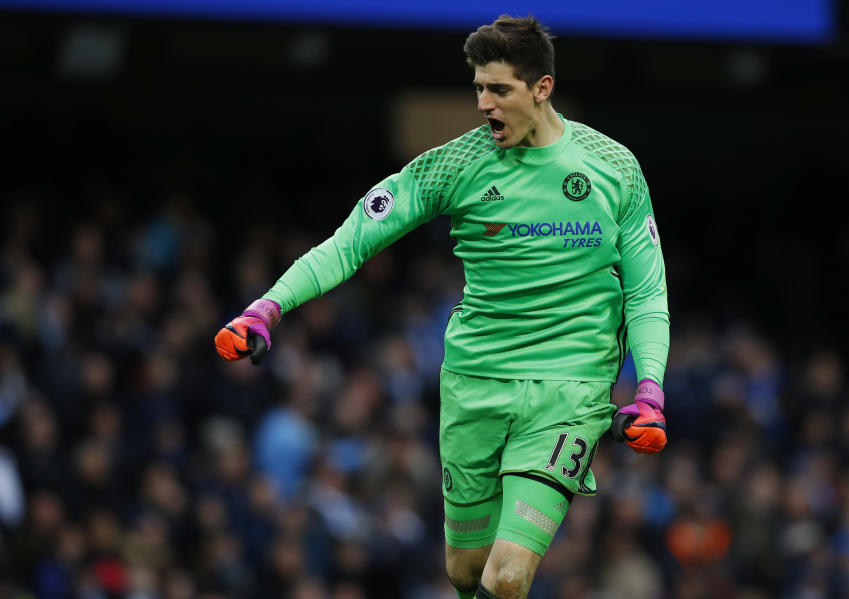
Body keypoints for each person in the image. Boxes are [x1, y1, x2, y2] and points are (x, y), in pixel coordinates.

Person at [214, 15, 669, 599]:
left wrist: (649, 388)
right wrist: (268, 308)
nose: (483, 103)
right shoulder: (454, 165)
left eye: (499, 89)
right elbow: (354, 240)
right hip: (474, 385)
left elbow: (648, 288)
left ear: (541, 89)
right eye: (478, 87)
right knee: (463, 569)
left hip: (571, 388)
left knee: (506, 576)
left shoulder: (615, 169)